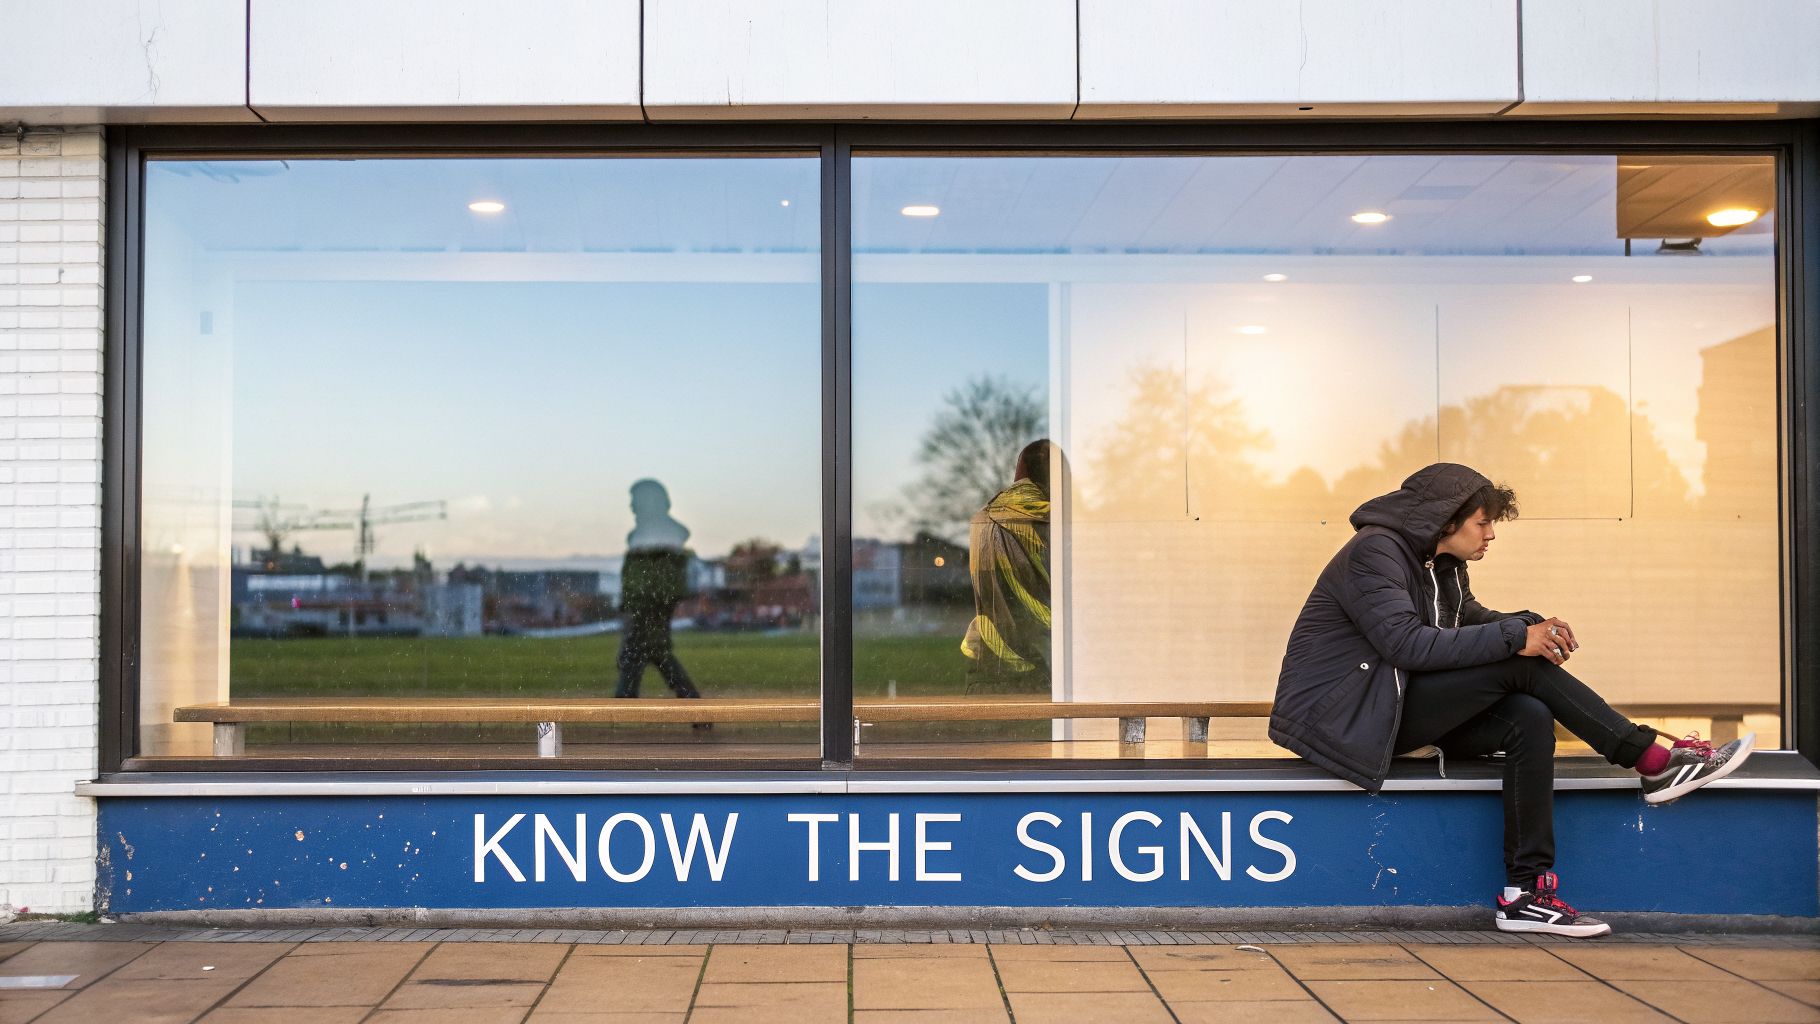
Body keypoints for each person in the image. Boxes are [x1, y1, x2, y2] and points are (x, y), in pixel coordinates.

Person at [1270, 462, 1754, 937]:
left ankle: (1525, 895)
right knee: (1520, 664)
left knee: (1527, 714)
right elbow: (1407, 644)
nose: (1491, 535)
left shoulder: (1441, 562)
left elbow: (1465, 618)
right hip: (1353, 715)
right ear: (1447, 519)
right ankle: (1650, 758)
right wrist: (1515, 638)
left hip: (1396, 702)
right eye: (1483, 523)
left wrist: (1526, 622)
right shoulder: (1375, 552)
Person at [960, 439, 1060, 693]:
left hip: (990, 661)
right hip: (1044, 661)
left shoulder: (982, 519)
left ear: (1021, 471)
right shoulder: (1054, 520)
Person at [614, 479, 702, 701]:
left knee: (640, 652)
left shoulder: (665, 538)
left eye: (635, 502)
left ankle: (623, 704)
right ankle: (694, 706)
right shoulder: (641, 539)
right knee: (653, 652)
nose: (632, 508)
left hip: (652, 604)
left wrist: (644, 601)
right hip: (643, 603)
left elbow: (661, 580)